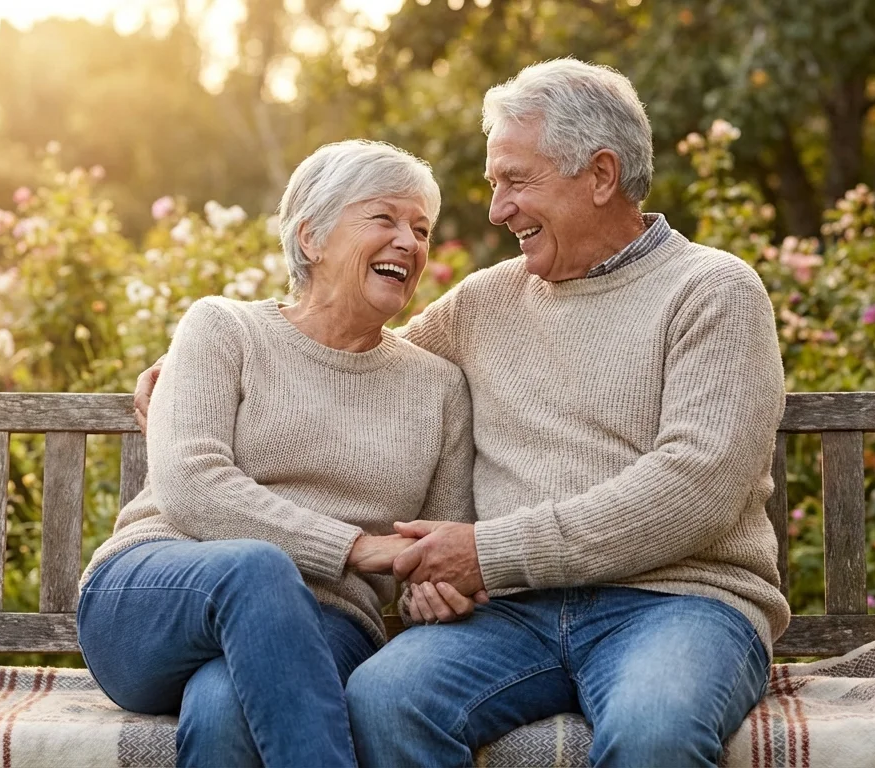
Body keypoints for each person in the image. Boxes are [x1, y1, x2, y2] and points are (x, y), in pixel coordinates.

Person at [135, 58, 790, 767]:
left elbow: (696, 485)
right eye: (494, 185)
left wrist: (487, 553)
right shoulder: (486, 303)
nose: (496, 209)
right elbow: (350, 356)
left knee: (654, 730)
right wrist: (192, 374)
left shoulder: (713, 291)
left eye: (516, 181)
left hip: (678, 603)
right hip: (511, 614)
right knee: (383, 703)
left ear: (600, 175)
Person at [77, 139, 478, 768]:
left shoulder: (438, 387)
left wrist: (431, 592)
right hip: (157, 595)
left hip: (327, 624)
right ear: (311, 238)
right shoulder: (222, 328)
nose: (409, 241)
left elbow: (434, 551)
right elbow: (189, 483)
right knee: (258, 571)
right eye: (384, 218)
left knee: (222, 709)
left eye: (421, 229)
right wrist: (355, 548)